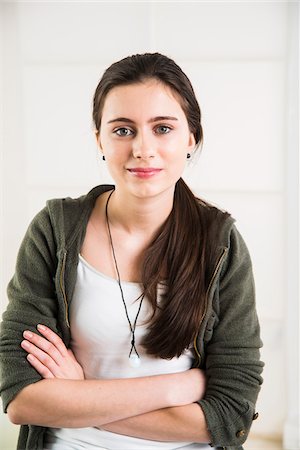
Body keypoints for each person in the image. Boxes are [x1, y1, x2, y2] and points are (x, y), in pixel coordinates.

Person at [0, 53, 263, 450]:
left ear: (191, 138)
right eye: (123, 130)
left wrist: (81, 394)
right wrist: (178, 386)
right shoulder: (55, 229)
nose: (143, 148)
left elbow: (230, 415)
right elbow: (21, 398)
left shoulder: (220, 242)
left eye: (162, 128)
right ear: (99, 140)